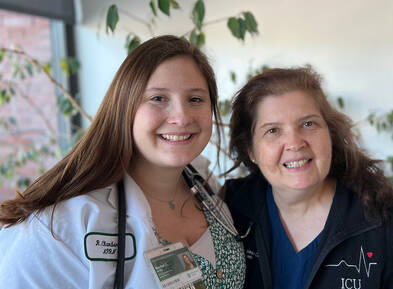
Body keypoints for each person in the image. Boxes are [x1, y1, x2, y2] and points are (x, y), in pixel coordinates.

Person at [0, 35, 245, 289]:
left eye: (195, 99)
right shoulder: (58, 226)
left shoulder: (206, 184)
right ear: (124, 107)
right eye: (158, 98)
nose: (181, 117)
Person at [223, 66, 393, 289]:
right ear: (250, 150)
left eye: (308, 124)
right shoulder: (227, 212)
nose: (295, 143)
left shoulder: (391, 226)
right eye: (273, 130)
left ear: (330, 133)